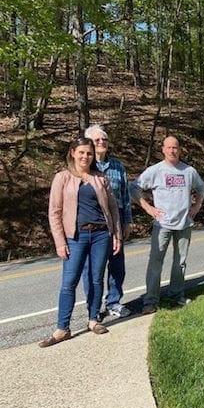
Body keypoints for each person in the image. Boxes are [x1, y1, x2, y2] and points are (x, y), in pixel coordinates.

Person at [40, 137, 122, 348]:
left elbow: (113, 209)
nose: (86, 156)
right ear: (73, 153)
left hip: (101, 235)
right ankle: (62, 328)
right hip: (75, 237)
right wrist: (60, 241)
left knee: (96, 279)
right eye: (82, 152)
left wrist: (116, 235)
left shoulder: (100, 178)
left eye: (89, 153)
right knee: (69, 282)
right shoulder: (63, 178)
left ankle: (93, 320)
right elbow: (54, 212)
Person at [130, 136, 204, 315]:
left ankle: (176, 295)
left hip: (184, 224)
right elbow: (134, 188)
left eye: (175, 147)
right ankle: (150, 300)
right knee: (156, 262)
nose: (172, 150)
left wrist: (196, 206)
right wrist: (148, 208)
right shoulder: (155, 170)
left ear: (179, 150)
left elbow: (201, 188)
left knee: (180, 262)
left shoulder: (189, 171)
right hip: (162, 224)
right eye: (169, 147)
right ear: (163, 149)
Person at [82, 124, 133, 318]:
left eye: (104, 139)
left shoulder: (118, 166)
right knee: (93, 268)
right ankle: (93, 307)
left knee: (117, 264)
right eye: (97, 140)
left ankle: (114, 302)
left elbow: (125, 196)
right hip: (94, 223)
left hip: (117, 220)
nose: (102, 143)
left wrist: (127, 221)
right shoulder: (84, 167)